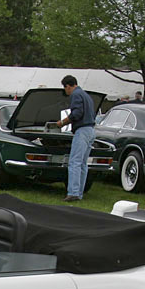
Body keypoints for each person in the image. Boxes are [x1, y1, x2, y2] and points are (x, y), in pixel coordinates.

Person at [55, 74, 96, 202]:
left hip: (82, 131)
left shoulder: (76, 95)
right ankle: (79, 193)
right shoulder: (86, 95)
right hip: (91, 130)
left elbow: (76, 113)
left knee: (74, 162)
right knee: (83, 164)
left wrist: (62, 123)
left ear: (68, 86)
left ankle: (73, 192)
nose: (66, 91)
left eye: (65, 88)